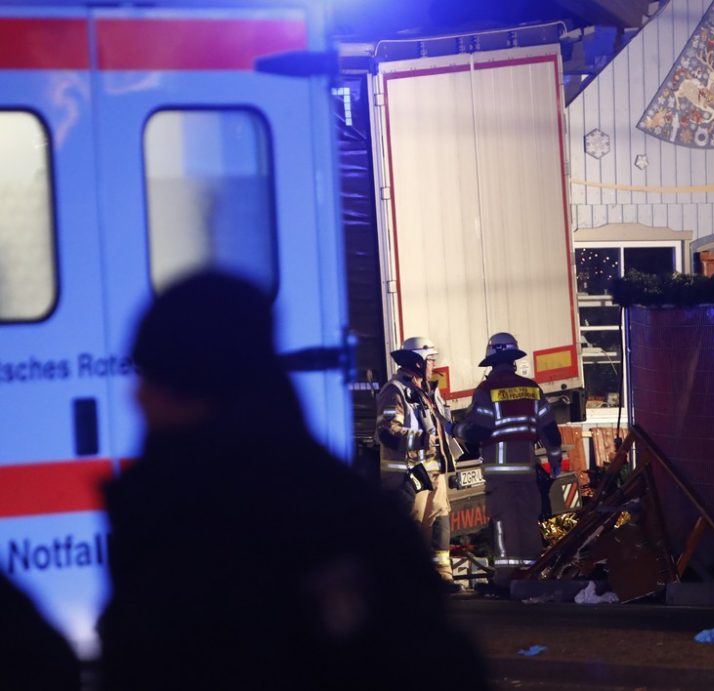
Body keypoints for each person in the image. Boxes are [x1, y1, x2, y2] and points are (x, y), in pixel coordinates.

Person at [98, 271, 486, 691]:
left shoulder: (174, 515)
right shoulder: (340, 502)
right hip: (410, 475)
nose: (135, 397)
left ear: (197, 385)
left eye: (152, 378)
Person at [454, 332, 563, 589]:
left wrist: (454, 429)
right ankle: (531, 575)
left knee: (504, 525)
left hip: (499, 476)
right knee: (527, 522)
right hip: (526, 472)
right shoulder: (531, 388)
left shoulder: (486, 390)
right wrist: (555, 463)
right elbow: (550, 432)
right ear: (513, 359)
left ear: (491, 362)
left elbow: (479, 431)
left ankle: (506, 581)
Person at [375, 336, 458, 588]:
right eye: (430, 359)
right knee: (412, 526)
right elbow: (387, 431)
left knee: (439, 521)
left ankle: (441, 577)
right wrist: (421, 439)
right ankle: (409, 581)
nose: (433, 363)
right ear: (417, 361)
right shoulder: (395, 390)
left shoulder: (427, 390)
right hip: (409, 474)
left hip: (434, 472)